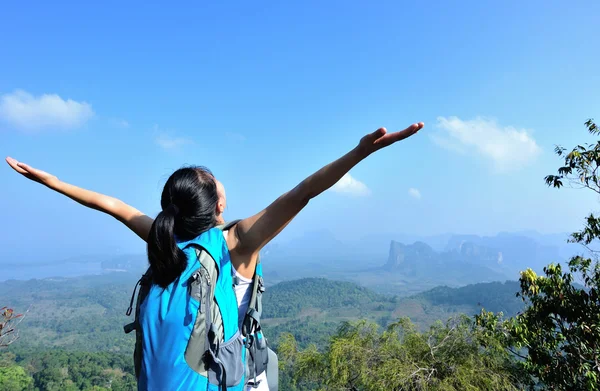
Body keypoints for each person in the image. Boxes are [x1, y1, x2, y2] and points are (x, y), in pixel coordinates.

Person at [6, 122, 424, 390]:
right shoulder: (236, 243)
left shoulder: (162, 238)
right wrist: (360, 152)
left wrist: (53, 182)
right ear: (218, 208)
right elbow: (303, 193)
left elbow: (110, 204)